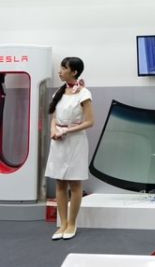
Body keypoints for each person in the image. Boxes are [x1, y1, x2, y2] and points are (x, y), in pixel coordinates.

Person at [44, 57, 94, 241]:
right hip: (58, 141)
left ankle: (72, 223)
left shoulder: (84, 93)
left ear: (74, 72)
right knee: (60, 182)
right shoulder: (58, 92)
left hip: (75, 141)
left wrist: (67, 131)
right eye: (60, 67)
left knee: (74, 183)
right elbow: (54, 118)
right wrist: (53, 131)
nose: (60, 71)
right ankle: (63, 223)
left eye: (63, 68)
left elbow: (90, 122)